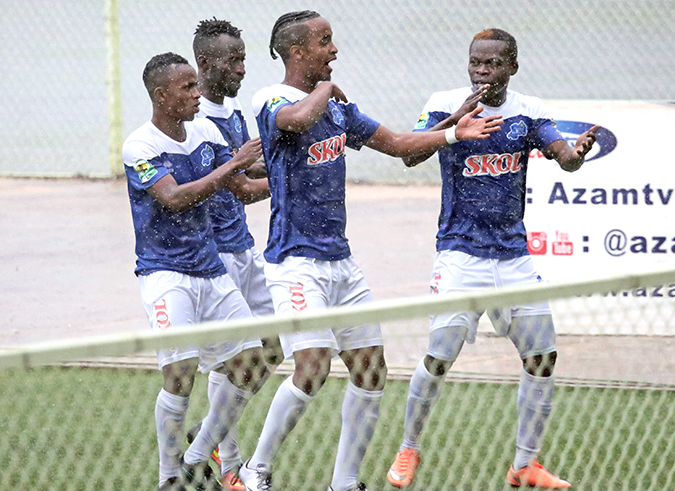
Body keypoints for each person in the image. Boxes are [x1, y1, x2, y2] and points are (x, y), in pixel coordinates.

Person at [237, 11, 503, 491]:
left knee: (370, 371)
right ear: (297, 53)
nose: (334, 50)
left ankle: (345, 482)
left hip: (341, 263)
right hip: (294, 264)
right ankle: (256, 470)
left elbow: (400, 145)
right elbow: (297, 117)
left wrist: (450, 130)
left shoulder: (339, 111)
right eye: (325, 41)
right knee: (312, 367)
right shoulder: (270, 99)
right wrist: (326, 90)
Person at [387, 28, 599, 489]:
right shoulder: (446, 102)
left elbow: (563, 156)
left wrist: (575, 157)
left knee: (543, 357)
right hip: (459, 255)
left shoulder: (529, 110)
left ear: (512, 67)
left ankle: (525, 463)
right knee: (439, 358)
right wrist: (457, 119)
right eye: (475, 63)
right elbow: (409, 156)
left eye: (492, 64)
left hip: (513, 256)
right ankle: (408, 448)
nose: (482, 71)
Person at [122, 52, 270, 490]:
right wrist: (232, 165)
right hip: (165, 275)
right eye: (187, 88)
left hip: (211, 271)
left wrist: (286, 179)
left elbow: (241, 187)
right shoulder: (140, 145)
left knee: (250, 361)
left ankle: (197, 453)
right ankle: (170, 480)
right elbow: (174, 197)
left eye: (195, 85)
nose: (196, 94)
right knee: (181, 375)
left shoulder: (205, 130)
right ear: (161, 95)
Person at [183, 18, 284, 490]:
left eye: (244, 57)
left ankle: (203, 444)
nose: (243, 68)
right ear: (206, 63)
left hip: (244, 250)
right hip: (215, 259)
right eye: (234, 59)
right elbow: (241, 187)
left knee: (270, 350)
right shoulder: (197, 119)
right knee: (234, 363)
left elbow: (251, 164)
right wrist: (292, 183)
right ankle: (227, 468)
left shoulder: (233, 111)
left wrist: (294, 156)